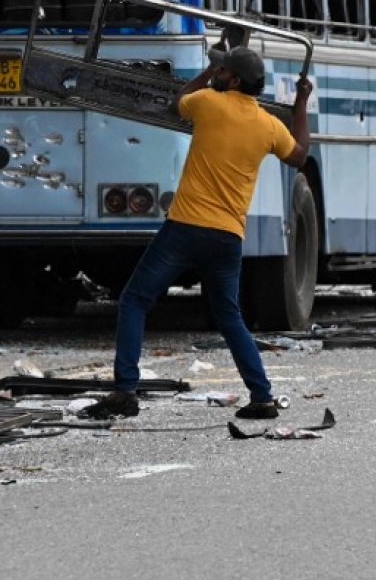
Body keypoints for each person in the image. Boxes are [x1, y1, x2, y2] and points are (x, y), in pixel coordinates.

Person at [84, 44, 312, 421]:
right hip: (228, 238)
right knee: (230, 317)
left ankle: (125, 390)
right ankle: (262, 396)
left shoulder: (208, 102)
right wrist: (301, 102)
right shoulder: (269, 126)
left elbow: (179, 101)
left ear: (233, 80)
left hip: (185, 228)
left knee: (135, 300)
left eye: (224, 71)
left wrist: (207, 71)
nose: (217, 74)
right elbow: (300, 154)